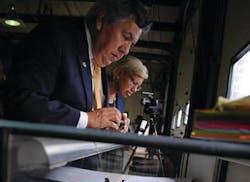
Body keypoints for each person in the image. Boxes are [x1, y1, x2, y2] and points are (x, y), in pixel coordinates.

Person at [4, 0, 151, 132]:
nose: (125, 50)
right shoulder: (56, 37)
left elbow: (94, 118)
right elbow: (21, 99)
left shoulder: (99, 62)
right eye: (126, 37)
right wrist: (87, 119)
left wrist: (111, 125)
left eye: (131, 44)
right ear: (102, 19)